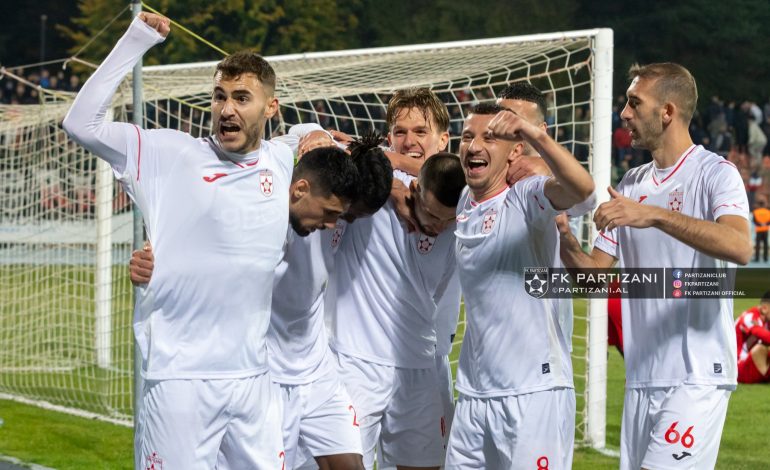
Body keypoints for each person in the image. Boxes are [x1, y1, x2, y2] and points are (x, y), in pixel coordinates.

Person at [63, 13, 298, 469]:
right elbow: (81, 124)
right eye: (219, 96)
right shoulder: (171, 155)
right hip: (180, 380)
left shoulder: (282, 160)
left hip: (253, 379)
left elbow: (308, 138)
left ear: (270, 107)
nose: (227, 109)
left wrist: (315, 135)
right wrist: (137, 39)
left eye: (242, 98)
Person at [130, 140, 394, 470]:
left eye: (349, 216)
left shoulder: (334, 206)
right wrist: (157, 260)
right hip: (266, 373)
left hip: (316, 369)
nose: (341, 223)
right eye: (342, 214)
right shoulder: (265, 197)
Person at [557, 63, 752, 470]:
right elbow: (594, 276)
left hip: (696, 374)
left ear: (667, 112)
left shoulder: (716, 173)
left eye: (634, 103)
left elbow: (739, 246)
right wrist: (564, 238)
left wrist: (656, 215)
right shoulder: (630, 183)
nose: (624, 113)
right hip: (641, 378)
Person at [444, 102, 595, 468]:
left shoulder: (526, 196)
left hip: (533, 391)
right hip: (473, 394)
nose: (474, 145)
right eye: (467, 137)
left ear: (514, 152)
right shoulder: (464, 199)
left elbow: (581, 189)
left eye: (489, 138)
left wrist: (535, 136)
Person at [735, 292, 770, 384]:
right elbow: (766, 337)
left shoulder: (767, 320)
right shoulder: (749, 317)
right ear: (765, 308)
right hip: (738, 366)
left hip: (752, 364)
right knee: (760, 348)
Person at [753, 198, 770, 262]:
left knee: (758, 245)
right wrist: (765, 224)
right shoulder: (768, 212)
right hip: (765, 230)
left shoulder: (756, 212)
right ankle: (765, 258)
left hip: (759, 230)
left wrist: (760, 224)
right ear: (764, 205)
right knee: (765, 244)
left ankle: (757, 258)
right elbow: (769, 221)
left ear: (759, 205)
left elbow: (754, 221)